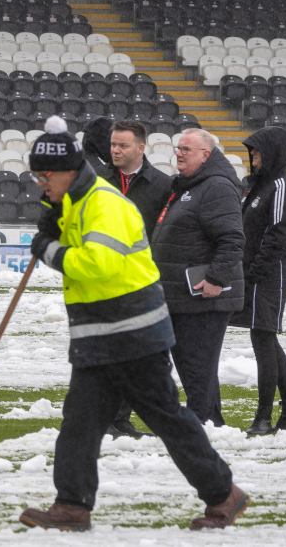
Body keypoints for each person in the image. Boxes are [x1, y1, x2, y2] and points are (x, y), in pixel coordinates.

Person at [19, 116, 247, 532]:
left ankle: (224, 494)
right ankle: (71, 506)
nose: (39, 184)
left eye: (43, 176)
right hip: (101, 334)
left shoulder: (103, 204)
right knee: (80, 422)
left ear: (66, 172)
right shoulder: (74, 202)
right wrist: (52, 223)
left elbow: (96, 264)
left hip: (133, 333)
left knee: (168, 420)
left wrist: (49, 250)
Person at [151, 128, 244, 427]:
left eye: (186, 149)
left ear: (206, 154)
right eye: (178, 148)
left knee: (196, 367)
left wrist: (216, 278)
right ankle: (211, 422)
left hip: (204, 296)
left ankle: (199, 424)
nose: (178, 153)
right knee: (195, 366)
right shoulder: (189, 186)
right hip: (183, 295)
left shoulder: (216, 186)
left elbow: (232, 238)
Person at [97, 119, 173, 438]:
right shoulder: (96, 180)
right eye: (113, 144)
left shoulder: (163, 185)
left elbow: (165, 232)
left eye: (122, 145)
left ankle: (121, 418)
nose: (115, 150)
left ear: (141, 148)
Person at [233, 127, 286, 435]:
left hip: (270, 274)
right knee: (263, 338)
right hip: (257, 273)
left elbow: (278, 235)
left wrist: (254, 271)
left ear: (273, 152)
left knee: (263, 338)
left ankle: (264, 417)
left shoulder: (280, 186)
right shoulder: (260, 186)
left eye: (257, 151)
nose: (252, 156)